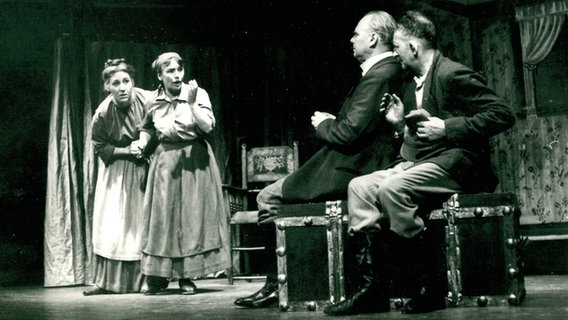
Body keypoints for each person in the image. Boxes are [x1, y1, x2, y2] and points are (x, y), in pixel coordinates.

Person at [325, 10, 516, 315]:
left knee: (393, 188)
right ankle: (373, 287)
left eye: (398, 48)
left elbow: (503, 114)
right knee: (359, 187)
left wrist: (448, 127)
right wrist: (401, 125)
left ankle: (431, 285)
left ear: (413, 47)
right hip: (423, 163)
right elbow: (420, 136)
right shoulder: (412, 82)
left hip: (458, 164)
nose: (395, 55)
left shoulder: (452, 73)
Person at [234, 10, 404, 308]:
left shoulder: (381, 74)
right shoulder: (384, 71)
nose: (352, 40)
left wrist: (324, 124)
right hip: (354, 163)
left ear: (374, 38)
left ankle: (276, 283)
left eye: (356, 34)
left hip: (352, 168)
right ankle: (281, 282)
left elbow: (349, 133)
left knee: (266, 197)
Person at [136, 52, 230, 295]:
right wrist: (140, 141)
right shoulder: (151, 100)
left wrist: (190, 103)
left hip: (194, 161)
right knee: (163, 221)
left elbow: (208, 127)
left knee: (191, 220)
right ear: (160, 75)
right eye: (170, 71)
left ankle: (186, 277)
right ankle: (158, 277)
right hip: (165, 162)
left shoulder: (197, 93)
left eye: (179, 69)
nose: (177, 75)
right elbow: (147, 128)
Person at [84, 59, 152, 296]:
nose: (122, 87)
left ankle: (147, 280)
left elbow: (158, 127)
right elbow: (100, 147)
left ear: (132, 82)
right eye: (116, 83)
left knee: (140, 225)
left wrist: (144, 147)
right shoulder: (103, 112)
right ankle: (107, 282)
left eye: (126, 81)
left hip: (144, 168)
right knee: (113, 225)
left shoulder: (147, 99)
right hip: (116, 171)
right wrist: (127, 150)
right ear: (107, 87)